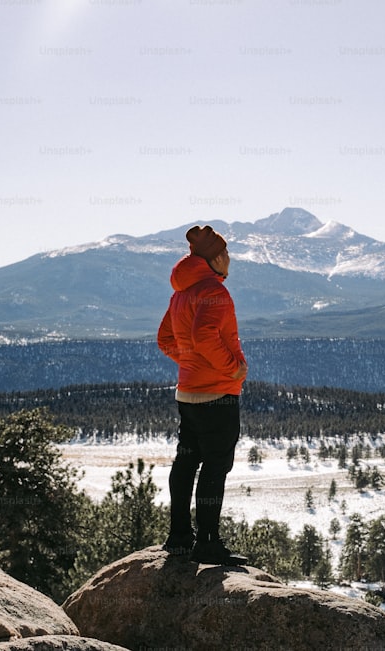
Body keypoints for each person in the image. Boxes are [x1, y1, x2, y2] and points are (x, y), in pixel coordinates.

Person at [157, 225, 249, 566]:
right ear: (216, 259)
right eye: (226, 254)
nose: (230, 259)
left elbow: (166, 340)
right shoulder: (214, 292)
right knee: (215, 465)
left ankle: (179, 537)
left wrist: (191, 363)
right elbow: (205, 335)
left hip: (188, 392)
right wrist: (233, 367)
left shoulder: (181, 294)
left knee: (186, 462)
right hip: (217, 394)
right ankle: (208, 543)